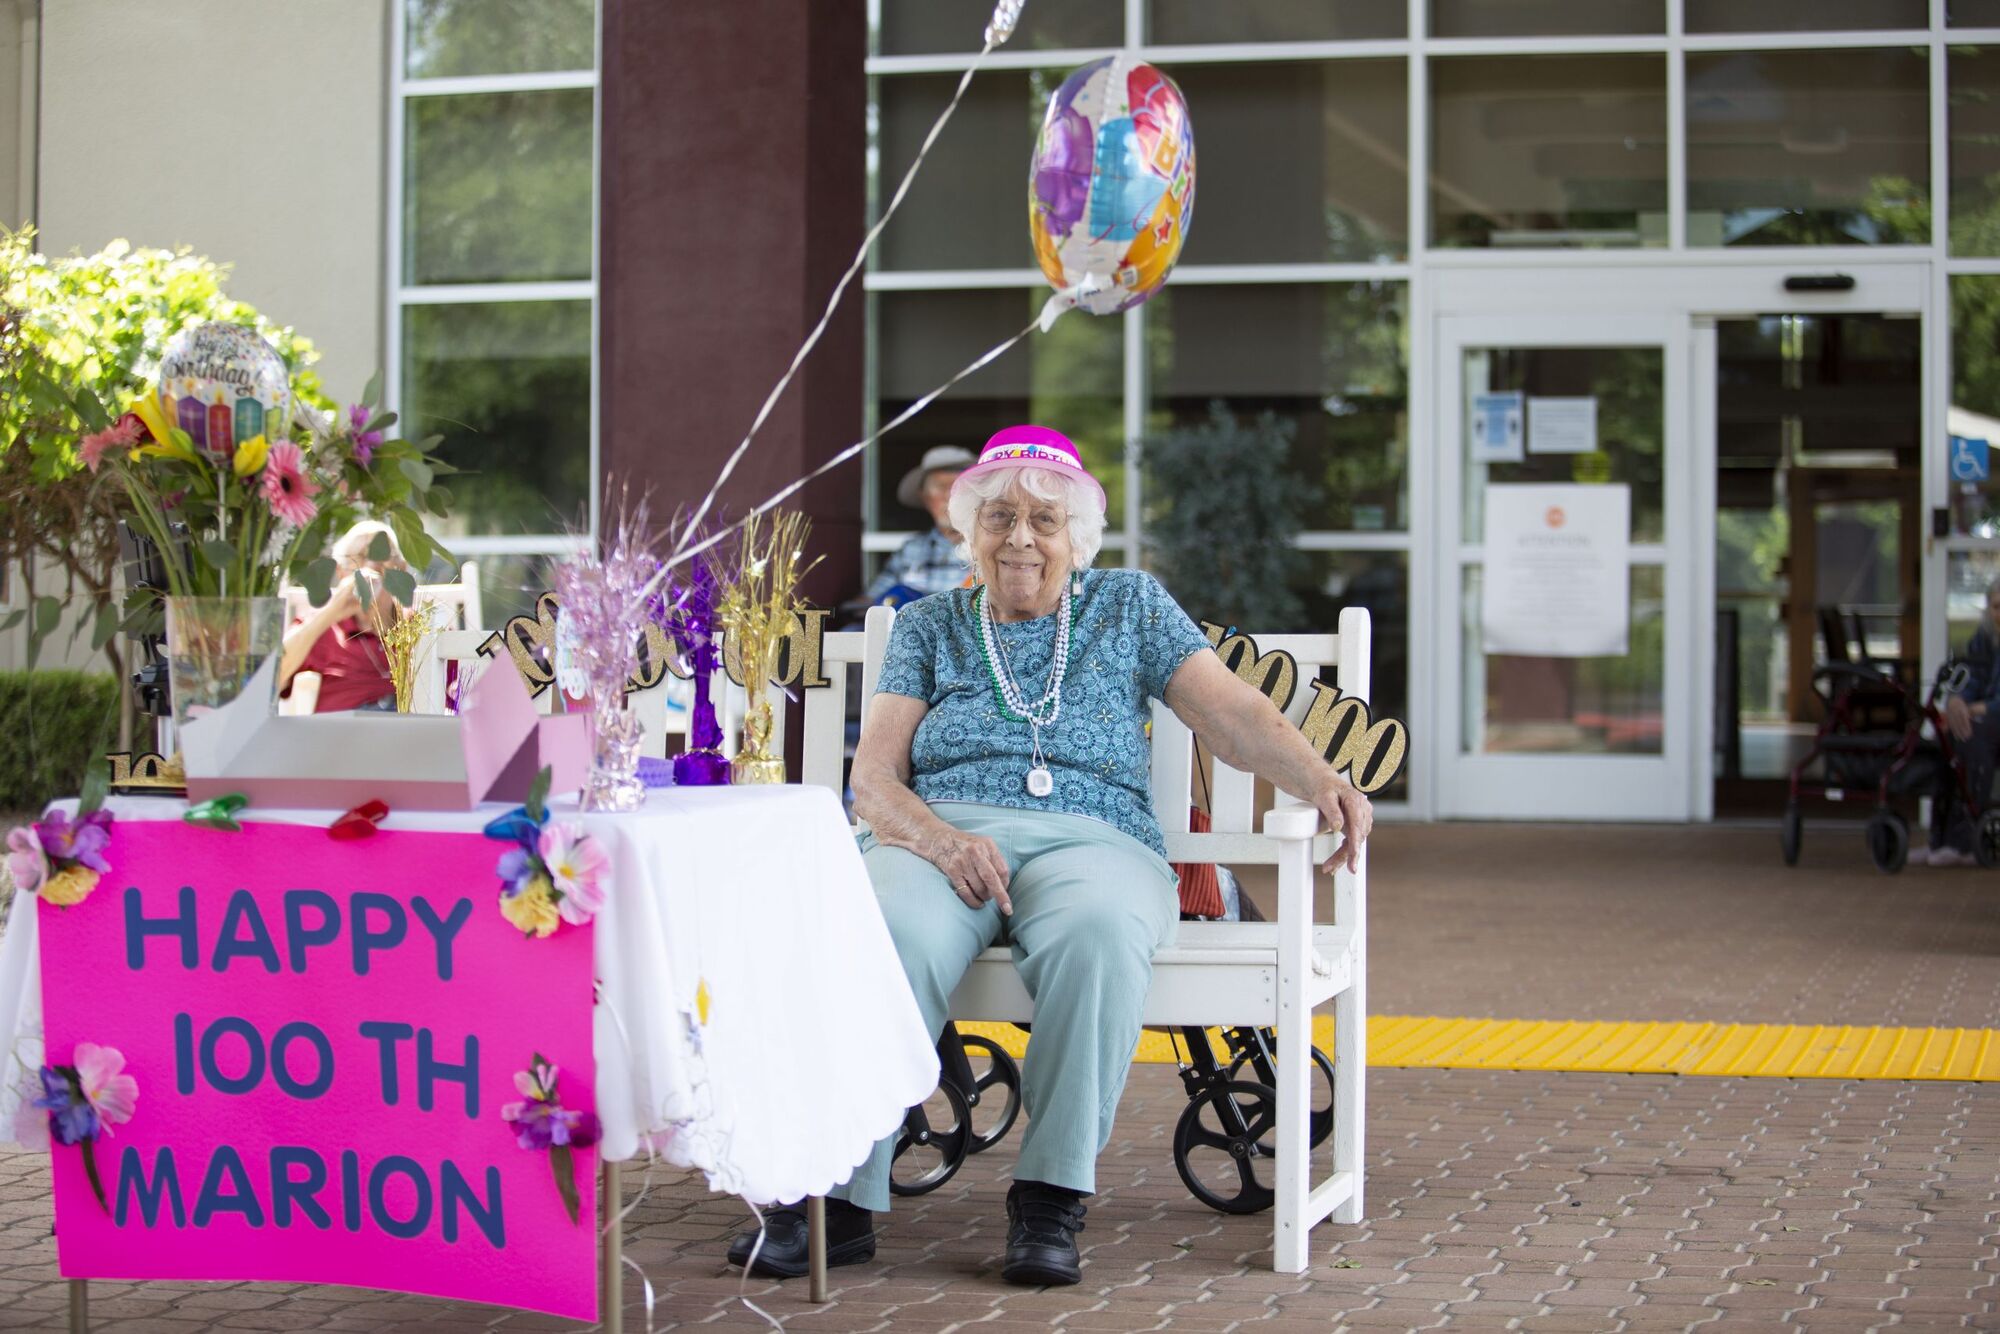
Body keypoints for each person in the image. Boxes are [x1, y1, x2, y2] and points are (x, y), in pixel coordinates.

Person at [726, 425, 1374, 1286]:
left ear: (1078, 535)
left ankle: (1050, 1197)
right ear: (969, 530)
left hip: (1096, 837)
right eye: (998, 517)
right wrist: (938, 838)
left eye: (1044, 519)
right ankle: (836, 1201)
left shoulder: (1129, 605)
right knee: (883, 931)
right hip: (941, 839)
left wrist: (1322, 777)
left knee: (1098, 935)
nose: (1020, 539)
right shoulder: (927, 625)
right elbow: (874, 780)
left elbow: (1231, 713)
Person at [277, 520, 408, 713]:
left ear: (402, 568)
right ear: (340, 572)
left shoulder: (417, 626)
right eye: (359, 557)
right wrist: (331, 611)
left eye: (382, 555)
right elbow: (273, 677)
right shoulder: (321, 627)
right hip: (341, 729)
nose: (371, 566)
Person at [1925, 575, 2000, 865]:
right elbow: (1970, 678)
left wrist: (1975, 709)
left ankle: (1965, 842)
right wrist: (1956, 701)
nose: (1999, 613)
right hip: (1984, 717)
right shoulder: (1984, 638)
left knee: (1971, 735)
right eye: (1996, 606)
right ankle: (1938, 841)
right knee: (1945, 738)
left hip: (1992, 718)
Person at [860, 444, 976, 608]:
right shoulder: (911, 549)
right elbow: (871, 601)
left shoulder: (990, 545)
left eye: (958, 487)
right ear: (925, 498)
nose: (949, 496)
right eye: (940, 487)